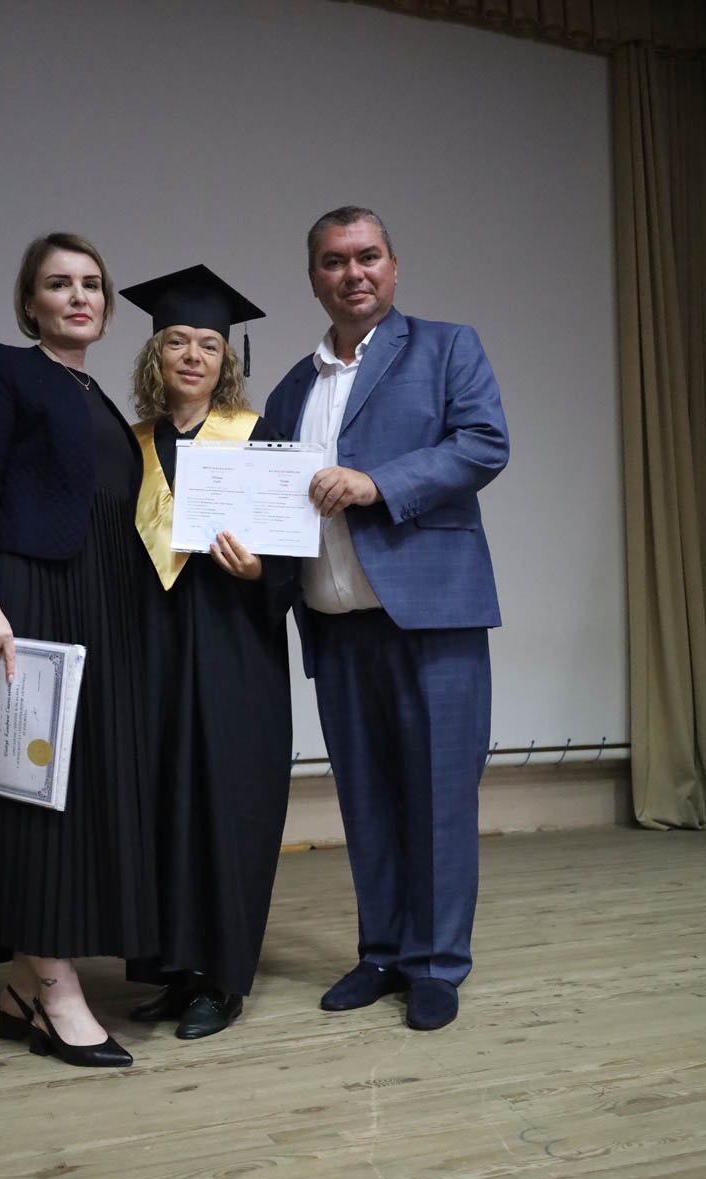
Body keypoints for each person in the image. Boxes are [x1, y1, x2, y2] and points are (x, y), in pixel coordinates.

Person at [264, 206, 509, 1030]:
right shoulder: (292, 388)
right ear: (313, 279)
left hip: (430, 619)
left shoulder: (446, 347)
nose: (353, 273)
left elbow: (483, 443)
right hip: (334, 625)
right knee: (365, 800)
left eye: (367, 256)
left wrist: (376, 484)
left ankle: (435, 965)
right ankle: (381, 952)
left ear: (393, 267)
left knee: (439, 797)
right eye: (334, 261)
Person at [0, 231, 156, 1068]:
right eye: (59, 284)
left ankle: (22, 989)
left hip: (97, 608)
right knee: (31, 802)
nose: (79, 297)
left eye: (92, 284)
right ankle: (57, 993)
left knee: (70, 797)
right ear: (29, 302)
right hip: (25, 603)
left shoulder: (96, 394)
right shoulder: (2, 368)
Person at [119, 264, 294, 1039]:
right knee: (158, 802)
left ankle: (219, 981)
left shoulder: (257, 440)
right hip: (149, 651)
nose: (193, 356)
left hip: (232, 651)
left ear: (227, 361)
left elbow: (293, 555)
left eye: (209, 345)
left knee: (224, 804)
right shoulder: (127, 446)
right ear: (154, 353)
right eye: (177, 341)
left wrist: (260, 571)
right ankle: (172, 971)